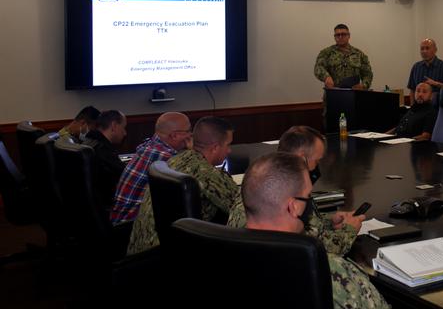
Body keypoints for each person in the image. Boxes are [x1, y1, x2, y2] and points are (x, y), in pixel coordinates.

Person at [240, 152, 390, 309]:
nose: (309, 204)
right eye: (307, 196)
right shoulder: (328, 270)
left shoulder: (221, 259)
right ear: (294, 207)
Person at [228, 125, 365, 255]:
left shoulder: (261, 184)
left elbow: (311, 226)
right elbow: (318, 251)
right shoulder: (286, 197)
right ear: (301, 158)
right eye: (317, 161)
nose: (317, 167)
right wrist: (349, 229)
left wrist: (329, 221)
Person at [127, 116, 239, 255]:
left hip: (142, 253)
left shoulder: (177, 158)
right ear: (215, 147)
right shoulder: (206, 173)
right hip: (164, 260)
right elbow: (241, 208)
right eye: (228, 145)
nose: (230, 151)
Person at [110, 112, 193, 224]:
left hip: (121, 221)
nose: (191, 135)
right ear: (174, 136)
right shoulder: (167, 158)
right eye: (188, 131)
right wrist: (193, 153)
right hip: (131, 228)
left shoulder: (149, 147)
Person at [81, 109, 128, 214]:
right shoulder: (102, 150)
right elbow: (127, 176)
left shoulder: (89, 142)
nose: (125, 133)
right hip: (109, 209)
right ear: (114, 126)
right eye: (124, 128)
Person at [314, 24, 372, 90]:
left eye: (343, 34)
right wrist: (326, 77)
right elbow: (318, 67)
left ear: (349, 36)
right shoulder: (326, 53)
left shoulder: (359, 54)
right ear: (334, 37)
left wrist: (363, 85)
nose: (340, 37)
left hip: (353, 95)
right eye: (337, 35)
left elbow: (368, 74)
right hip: (333, 94)